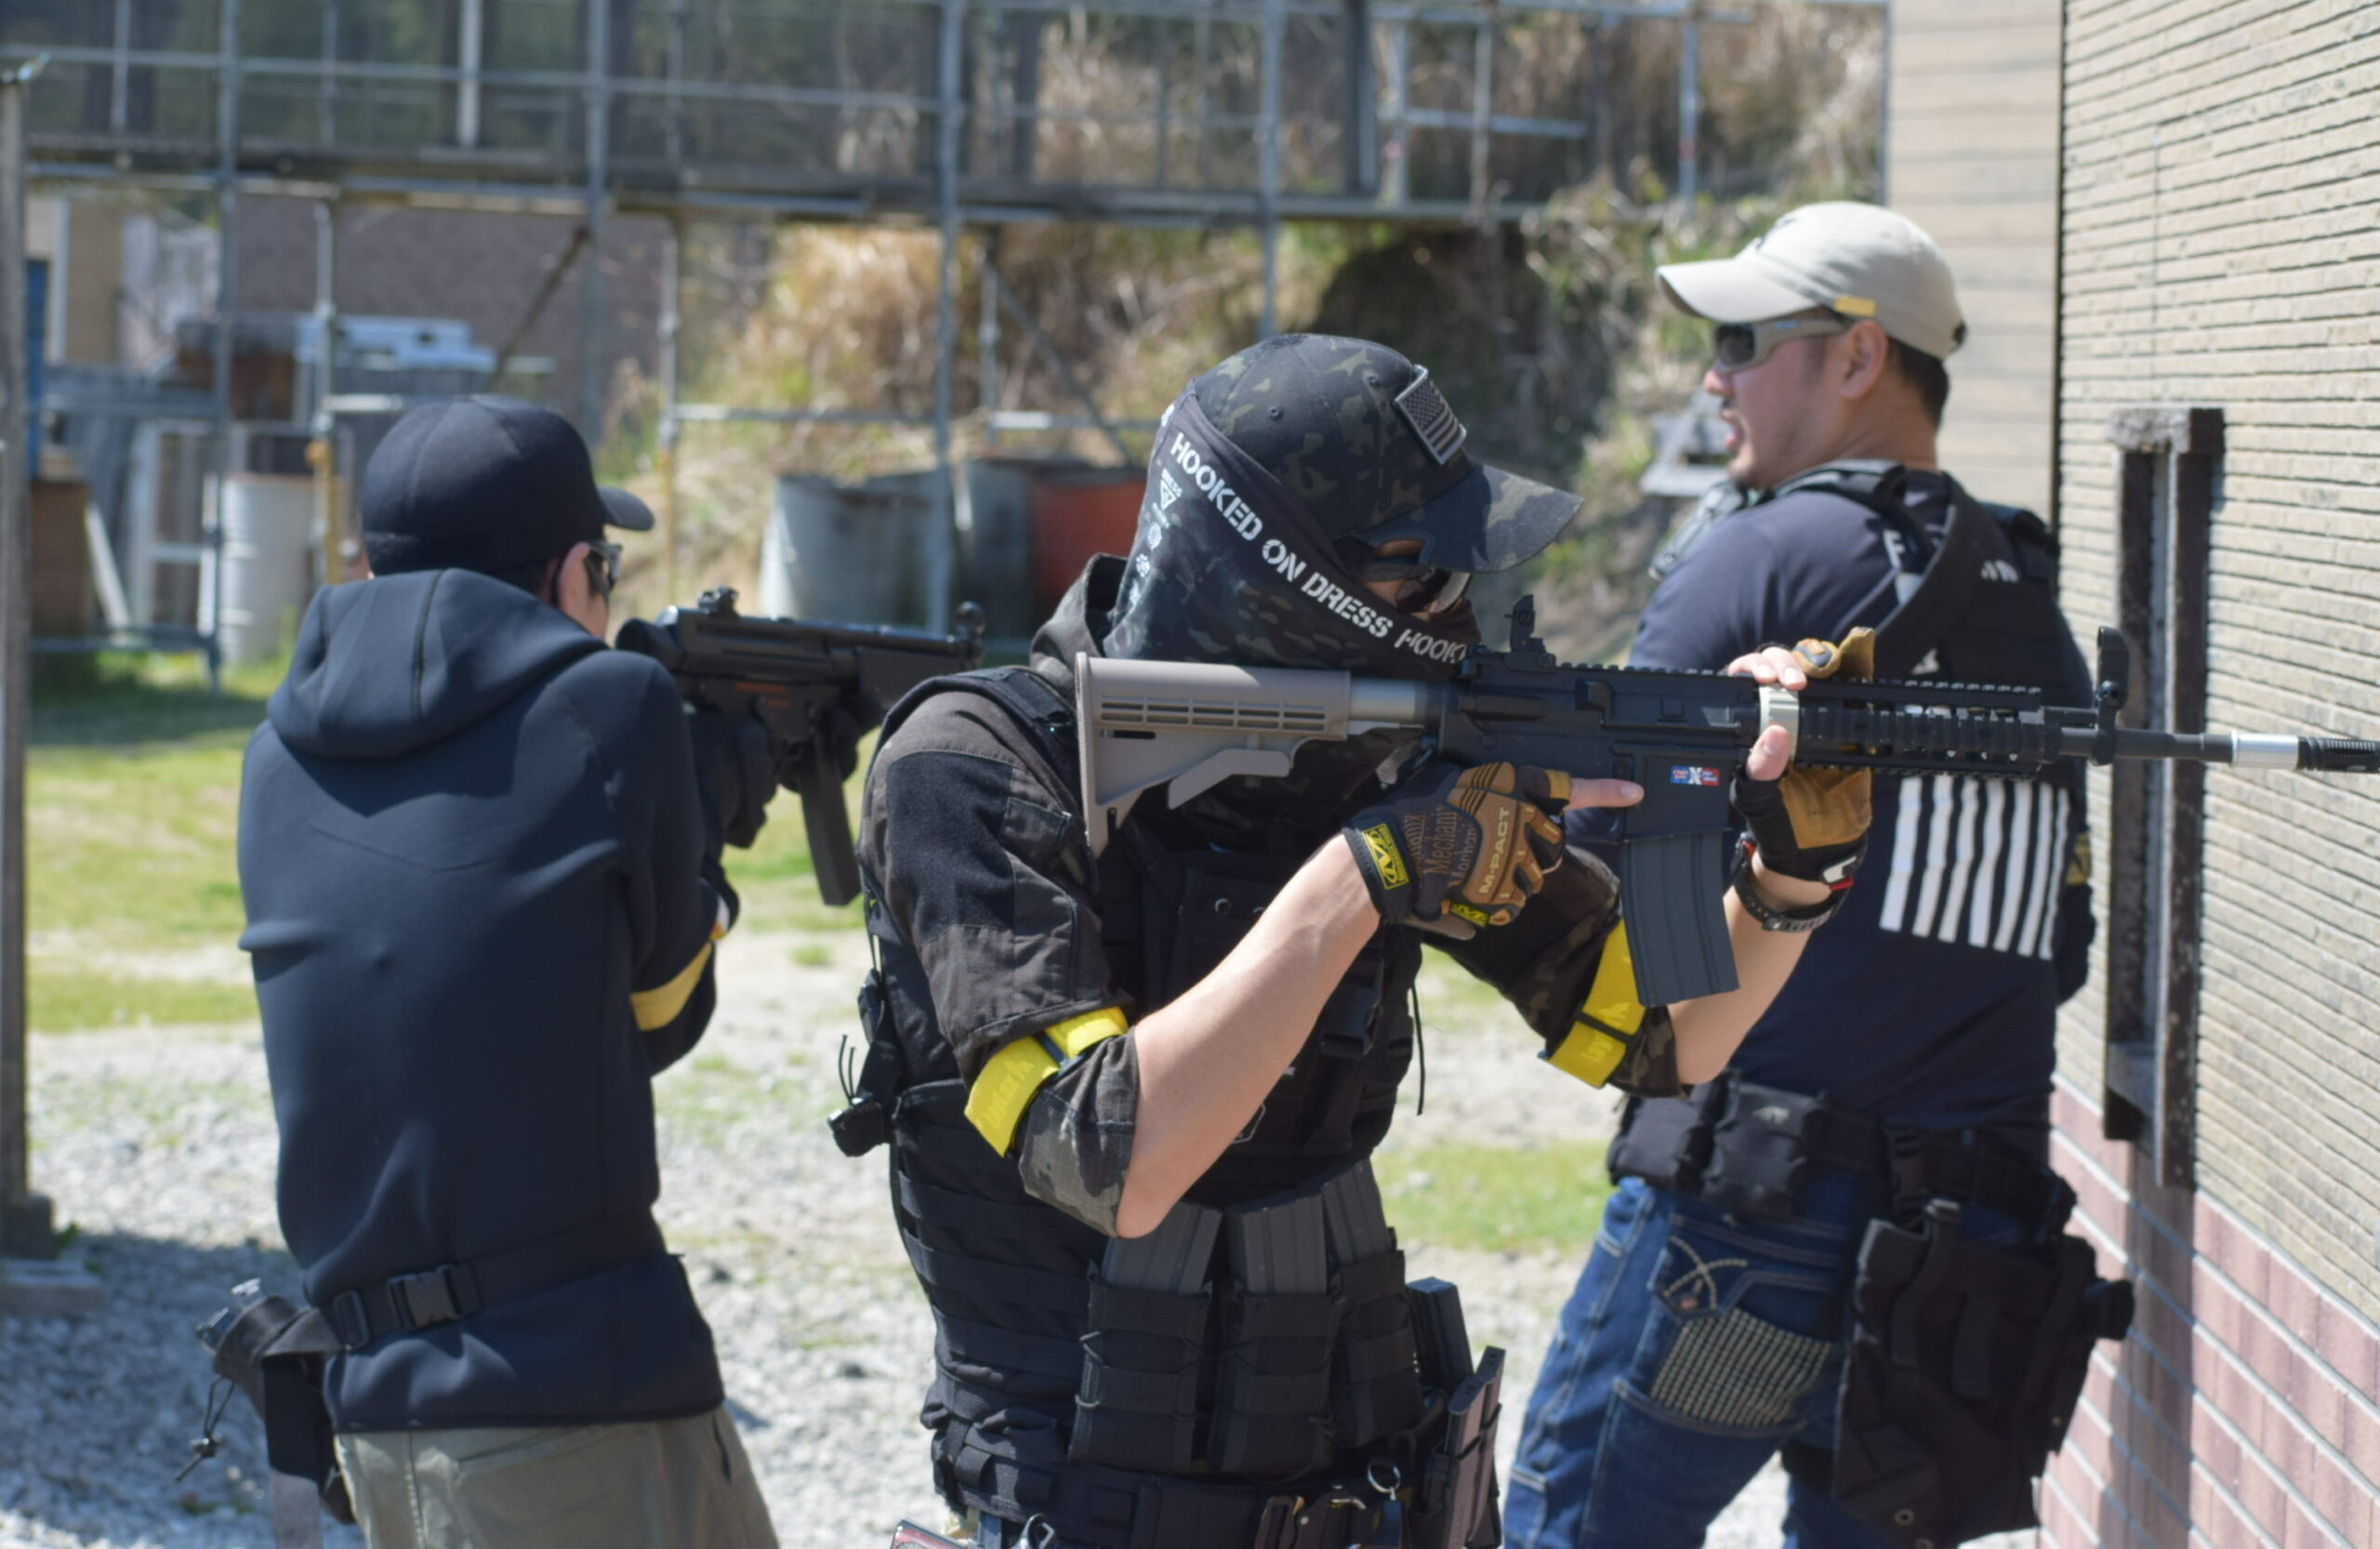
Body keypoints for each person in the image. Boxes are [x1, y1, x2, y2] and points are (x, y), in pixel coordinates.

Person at [849, 334, 1872, 1549]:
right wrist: (1367, 871)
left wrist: (1783, 868)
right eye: (1413, 571)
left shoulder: (1374, 760)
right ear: (1274, 572)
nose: (1450, 609)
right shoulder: (972, 767)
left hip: (1361, 1483)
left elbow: (1657, 1033)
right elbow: (1111, 1160)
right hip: (1088, 1501)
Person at [1502, 203, 2100, 1549]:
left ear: (1857, 357)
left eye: (1740, 341)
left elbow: (1611, 883)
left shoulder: (1761, 556)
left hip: (1752, 1217)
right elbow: (2057, 948)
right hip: (1968, 1247)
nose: (1712, 376)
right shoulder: (2033, 610)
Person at [235, 396, 781, 1549]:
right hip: (576, 1394)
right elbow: (658, 1015)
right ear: (570, 572)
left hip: (370, 1411)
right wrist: (699, 851)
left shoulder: (274, 756)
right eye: (607, 569)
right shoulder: (613, 706)